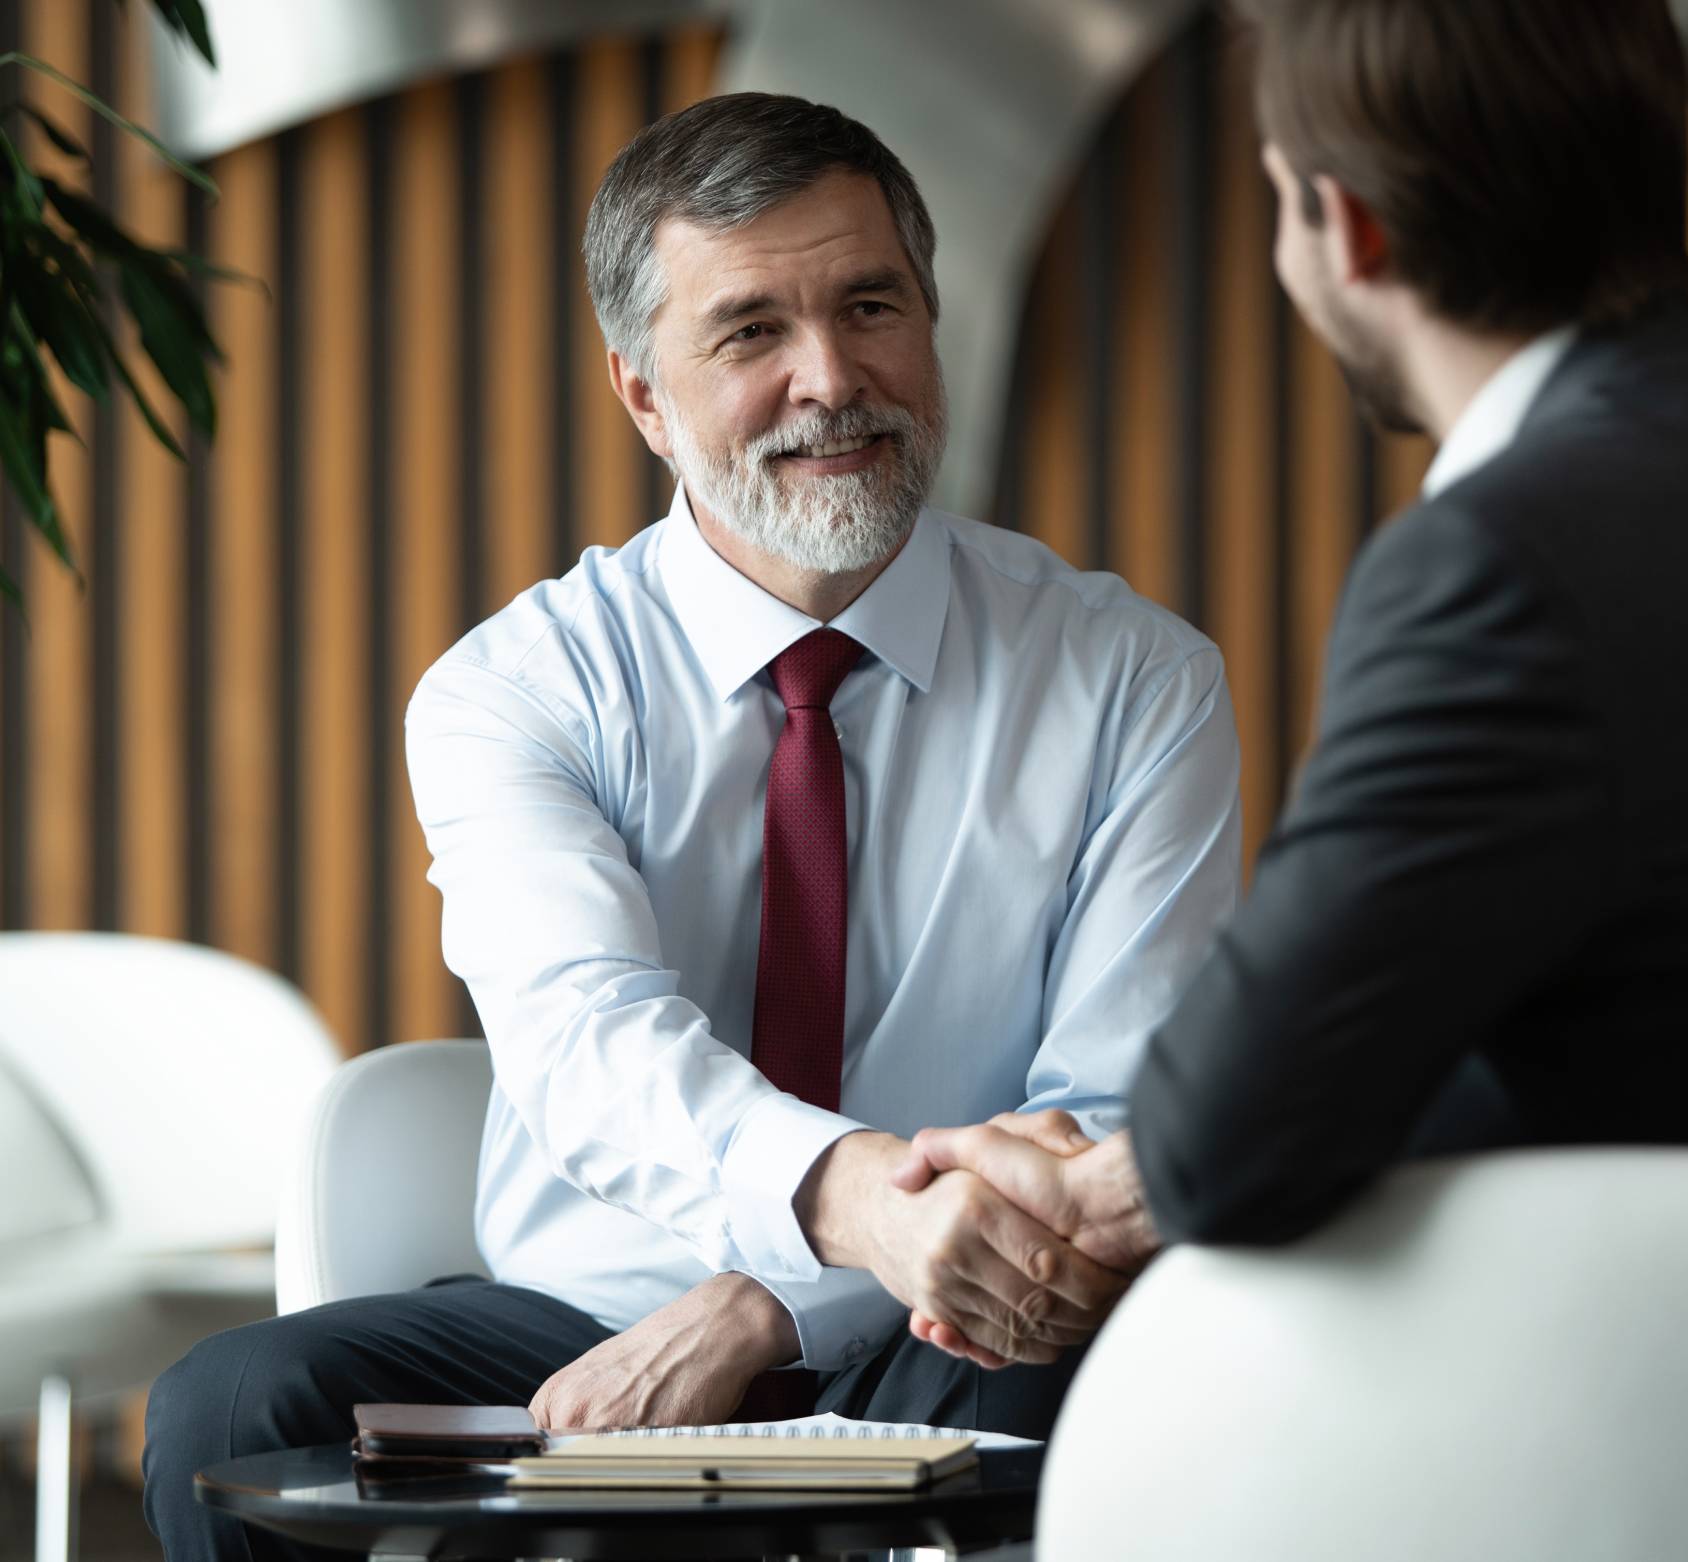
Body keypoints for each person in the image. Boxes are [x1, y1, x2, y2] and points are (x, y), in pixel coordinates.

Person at [142, 92, 1242, 1557]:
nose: (831, 377)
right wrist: (840, 1204)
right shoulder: (517, 687)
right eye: (749, 333)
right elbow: (592, 1048)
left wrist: (781, 1298)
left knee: (1097, 1354)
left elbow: (1109, 1122)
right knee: (235, 1406)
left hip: (956, 1314)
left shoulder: (1134, 678)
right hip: (585, 1331)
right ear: (644, 393)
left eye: (872, 305)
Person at [890, 0, 1688, 1363]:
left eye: (1278, 201)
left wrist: (1070, 1188)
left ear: (1351, 228)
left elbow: (1232, 1142)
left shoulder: (1505, 561)